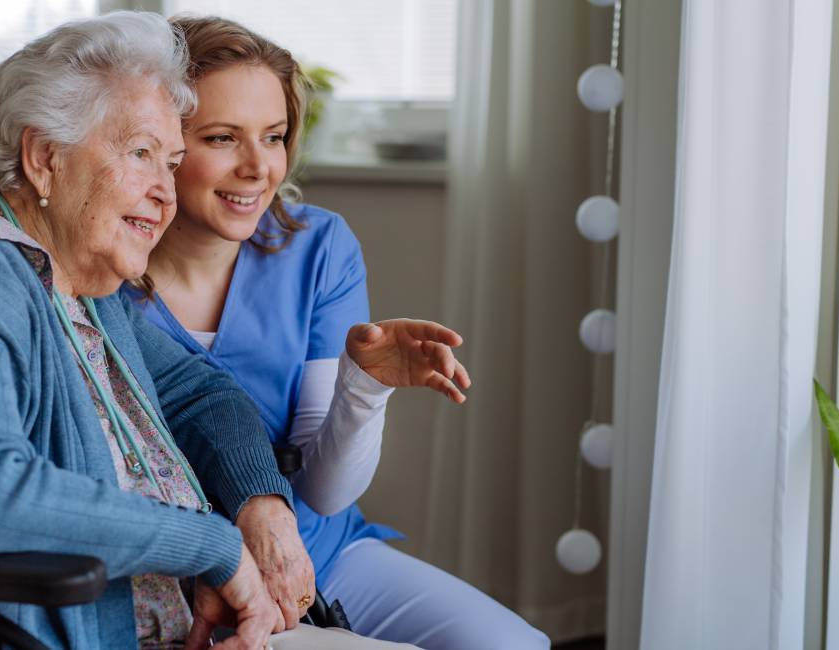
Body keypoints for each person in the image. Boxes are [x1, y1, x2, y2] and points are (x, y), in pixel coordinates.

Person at [0, 13, 290, 649]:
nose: (165, 193)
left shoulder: (76, 283)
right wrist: (212, 549)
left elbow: (202, 392)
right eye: (140, 154)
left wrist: (258, 502)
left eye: (173, 161)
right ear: (45, 159)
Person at [122, 16, 551, 649]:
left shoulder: (318, 248)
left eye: (274, 136)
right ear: (158, 143)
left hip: (319, 550)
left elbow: (323, 494)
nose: (257, 167)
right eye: (221, 137)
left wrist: (364, 386)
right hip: (177, 580)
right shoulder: (102, 269)